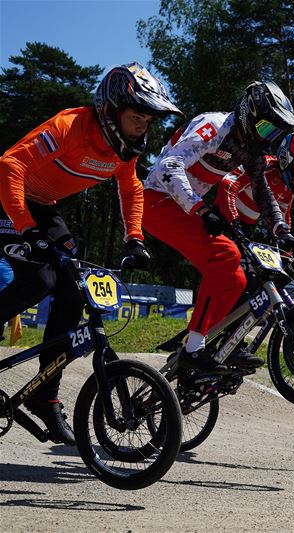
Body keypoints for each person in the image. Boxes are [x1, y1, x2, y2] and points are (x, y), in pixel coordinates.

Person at [0, 62, 181, 444]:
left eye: (148, 121)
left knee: (72, 288)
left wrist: (135, 238)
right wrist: (24, 227)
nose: (142, 127)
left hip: (42, 207)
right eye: (136, 117)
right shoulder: (70, 126)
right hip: (7, 201)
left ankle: (43, 396)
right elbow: (11, 165)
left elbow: (131, 189)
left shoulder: (124, 148)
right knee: (41, 278)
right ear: (110, 111)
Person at [142, 81, 294, 371]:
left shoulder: (249, 148)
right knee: (225, 256)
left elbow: (262, 192)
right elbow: (168, 166)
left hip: (181, 206)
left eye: (277, 133)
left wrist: (281, 228)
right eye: (268, 129)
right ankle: (193, 348)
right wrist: (201, 208)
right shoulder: (215, 126)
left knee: (237, 279)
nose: (270, 138)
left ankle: (210, 346)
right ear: (249, 114)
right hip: (156, 200)